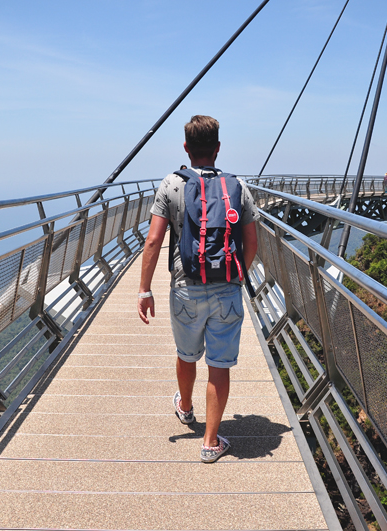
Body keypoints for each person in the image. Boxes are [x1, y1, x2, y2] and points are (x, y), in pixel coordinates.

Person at [137, 115, 258, 463]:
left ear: (186, 148)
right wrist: (235, 275)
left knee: (186, 354)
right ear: (218, 148)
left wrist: (145, 290)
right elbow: (251, 242)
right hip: (227, 290)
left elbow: (153, 241)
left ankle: (186, 408)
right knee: (219, 366)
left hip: (185, 288)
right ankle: (209, 442)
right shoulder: (238, 186)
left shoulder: (171, 185)